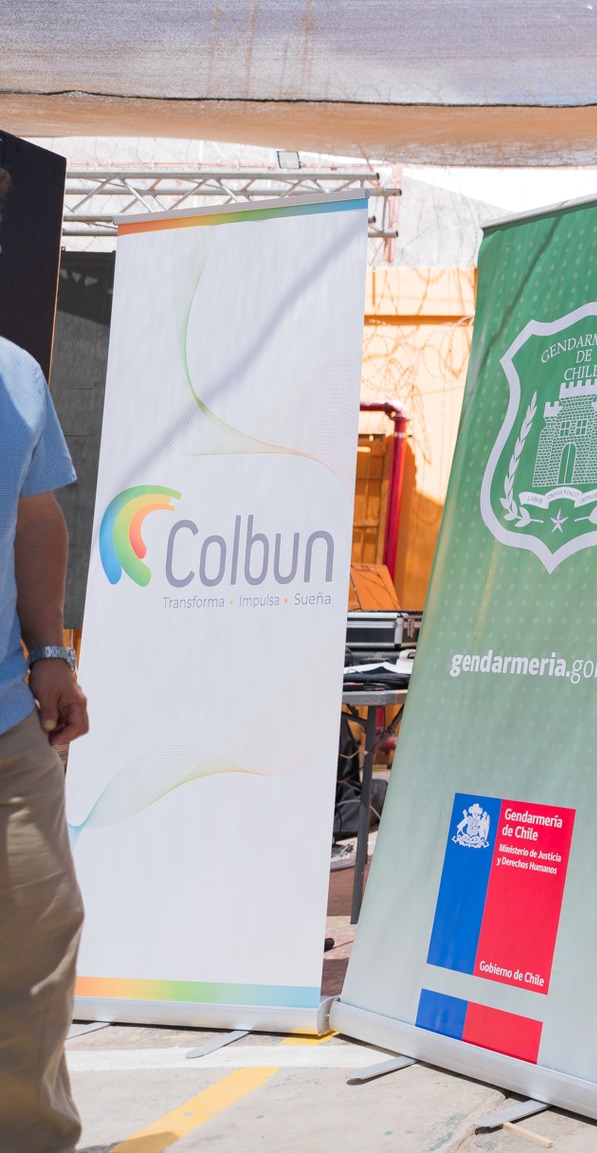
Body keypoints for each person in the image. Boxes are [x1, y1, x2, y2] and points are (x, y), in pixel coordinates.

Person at [0, 163, 93, 1153]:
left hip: (4, 728)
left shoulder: (15, 373)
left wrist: (51, 651)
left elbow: (35, 516)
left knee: (36, 939)